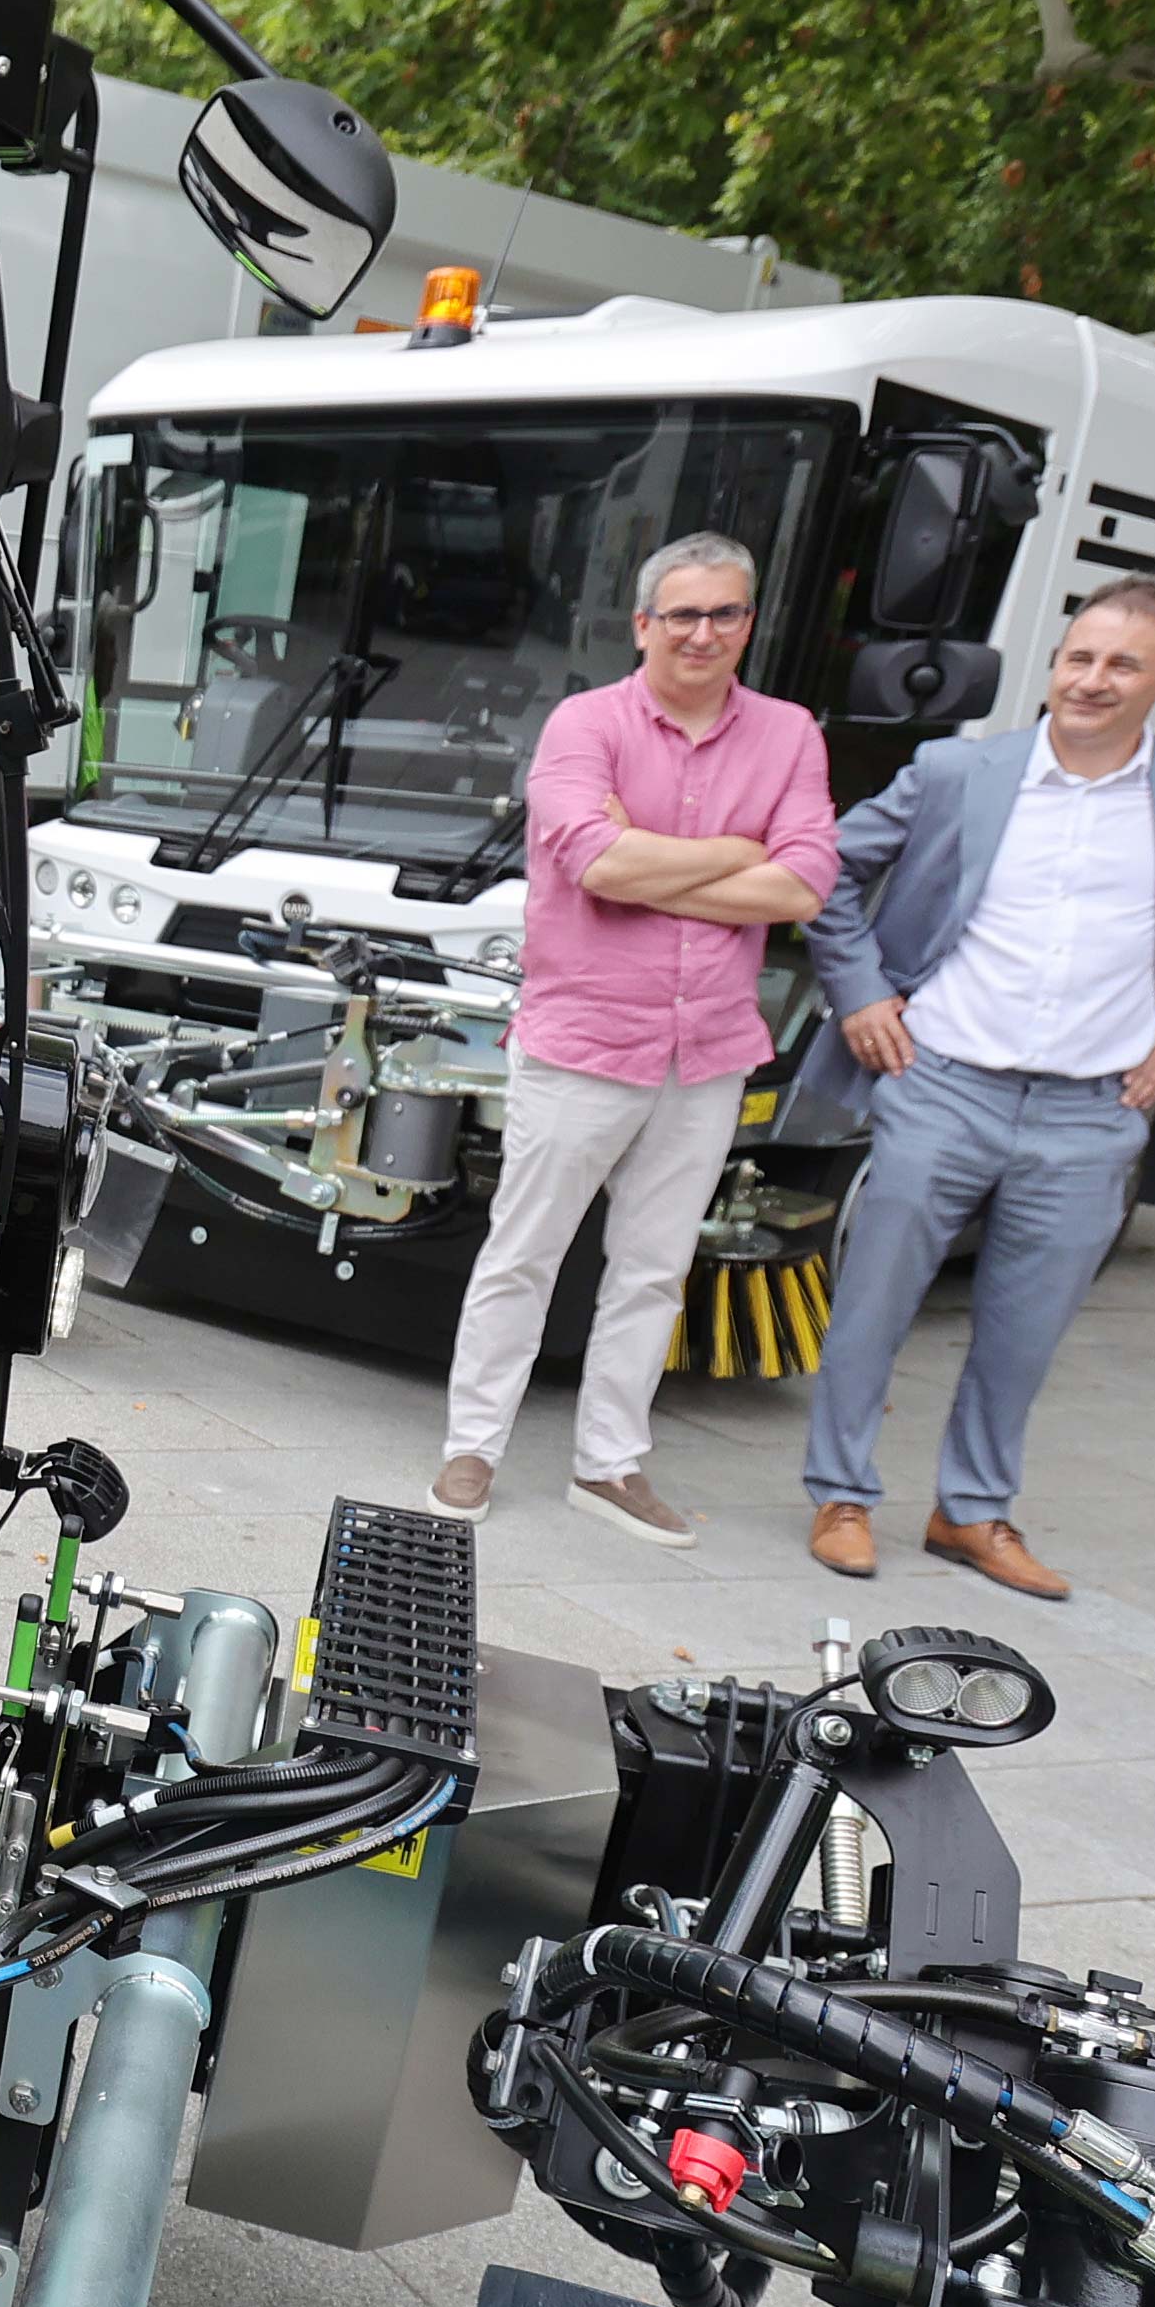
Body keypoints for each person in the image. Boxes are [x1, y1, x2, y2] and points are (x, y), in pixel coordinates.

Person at [795, 577, 1155, 1596]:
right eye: (1078, 657)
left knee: (1027, 1326)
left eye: (1122, 664)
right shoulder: (958, 771)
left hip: (1094, 1109)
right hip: (941, 1079)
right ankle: (842, 1494)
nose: (1091, 679)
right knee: (874, 1299)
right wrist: (861, 993)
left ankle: (973, 1513)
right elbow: (828, 872)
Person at [431, 531, 829, 1548]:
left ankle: (610, 1466)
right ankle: (473, 1446)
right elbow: (593, 864)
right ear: (644, 623)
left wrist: (665, 858)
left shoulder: (787, 735)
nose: (705, 632)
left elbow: (804, 882)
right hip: (581, 1041)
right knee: (524, 1254)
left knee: (654, 1268)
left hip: (709, 1052)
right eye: (684, 613)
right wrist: (738, 855)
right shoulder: (585, 724)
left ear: (750, 622)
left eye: (726, 613)